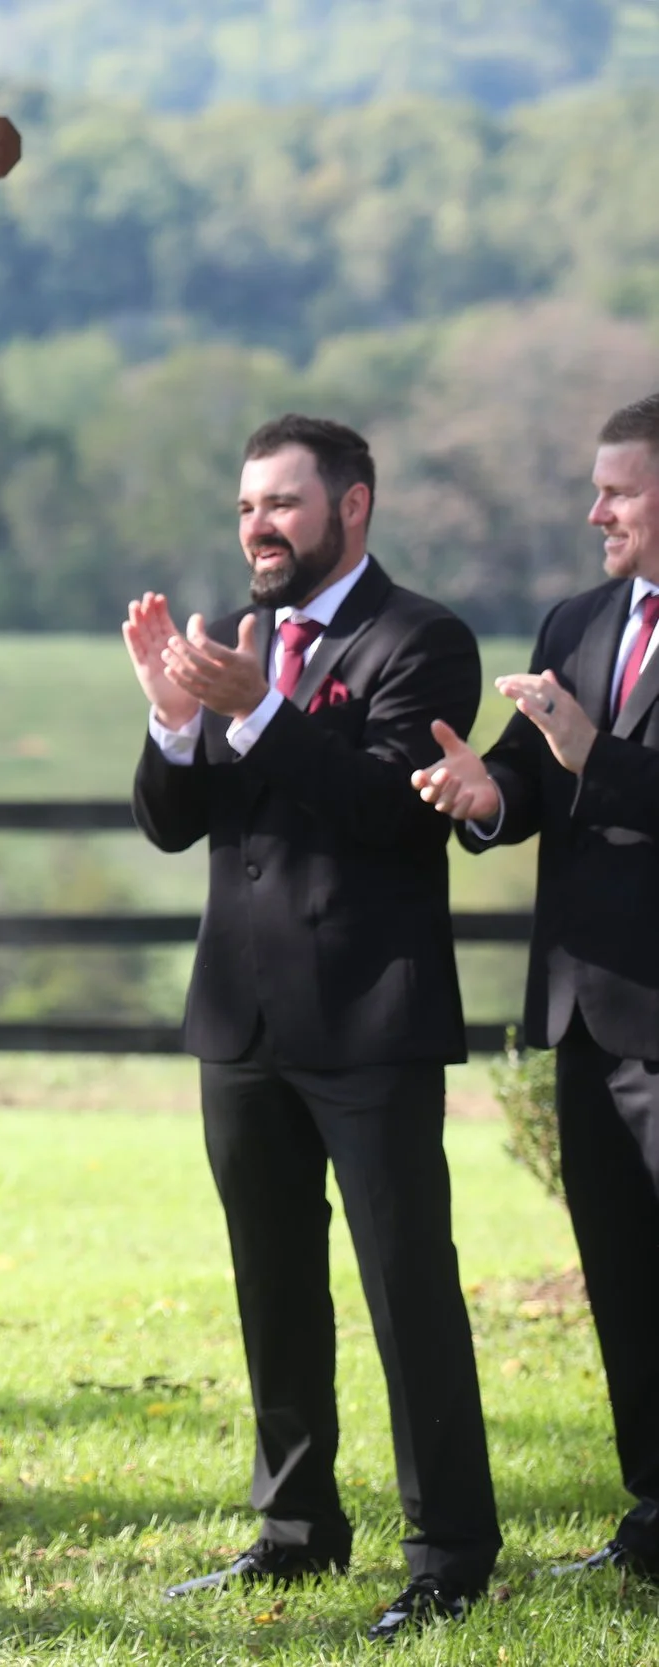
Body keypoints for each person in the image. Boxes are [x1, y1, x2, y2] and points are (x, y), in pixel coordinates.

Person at [123, 416, 499, 1642]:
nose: (258, 528)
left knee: (407, 1289)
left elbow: (395, 813)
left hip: (368, 1018)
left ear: (353, 507)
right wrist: (172, 720)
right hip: (239, 1017)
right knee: (271, 1283)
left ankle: (449, 1547)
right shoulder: (240, 645)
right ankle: (293, 1528)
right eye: (245, 507)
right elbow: (175, 826)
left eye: (281, 503)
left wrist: (257, 712)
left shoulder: (422, 638)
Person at [414, 391, 659, 1585]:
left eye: (617, 489)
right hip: (581, 1007)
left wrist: (590, 755)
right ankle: (654, 1512)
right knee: (622, 1272)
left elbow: (589, 761)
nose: (593, 508)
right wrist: (485, 793)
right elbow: (529, 777)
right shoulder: (580, 615)